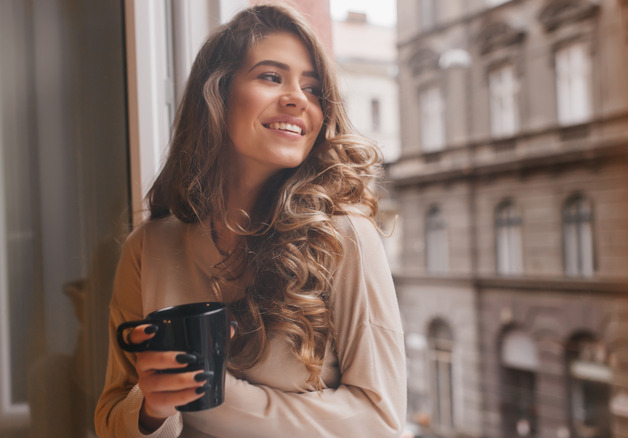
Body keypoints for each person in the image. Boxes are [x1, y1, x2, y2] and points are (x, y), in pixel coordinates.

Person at [94, 4, 406, 437]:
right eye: (271, 77)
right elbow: (111, 418)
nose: (298, 98)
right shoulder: (147, 249)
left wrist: (215, 398)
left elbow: (380, 422)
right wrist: (152, 410)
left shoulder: (345, 237)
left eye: (313, 88)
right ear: (216, 94)